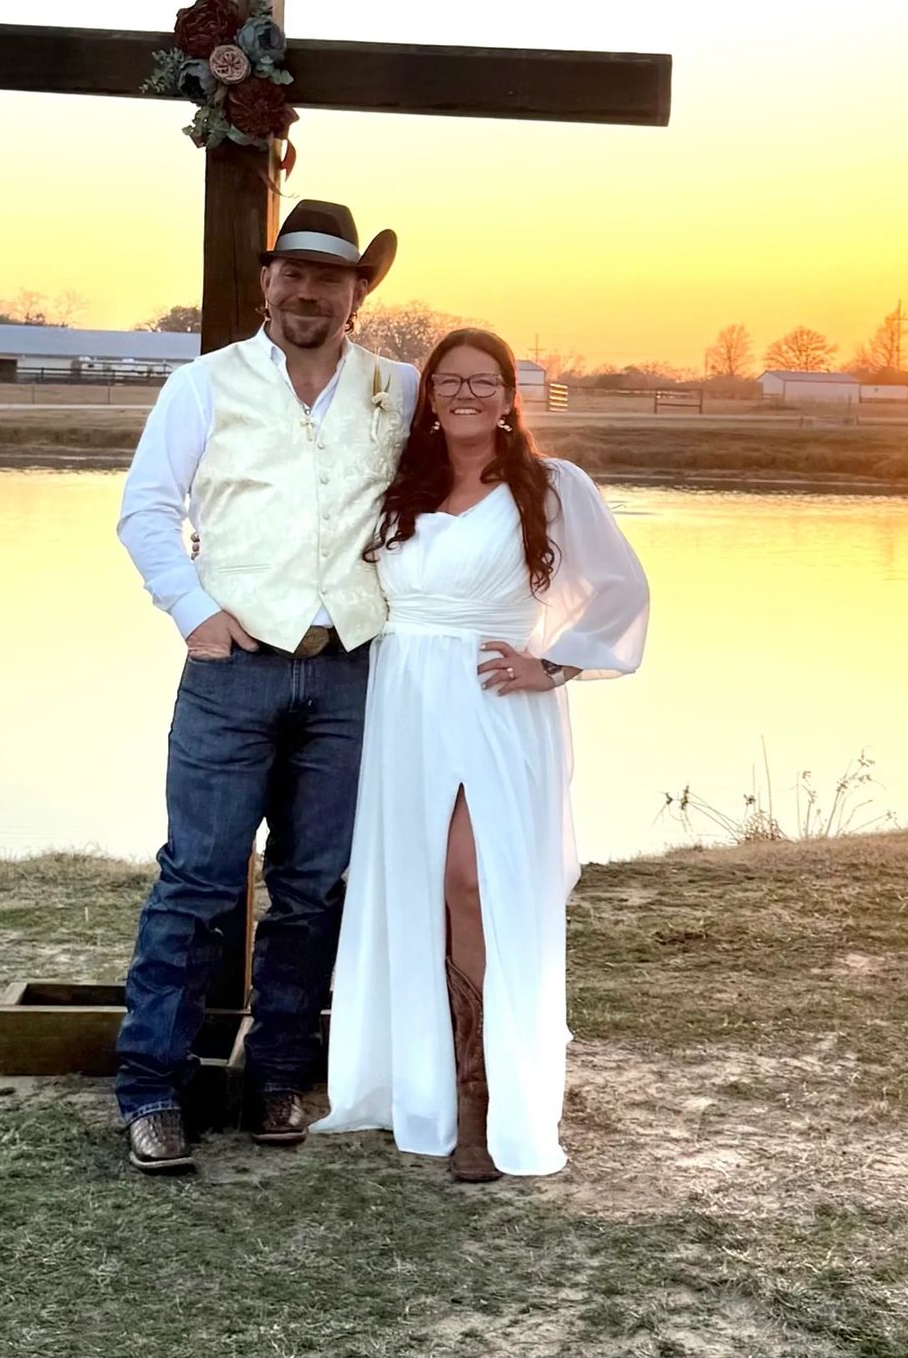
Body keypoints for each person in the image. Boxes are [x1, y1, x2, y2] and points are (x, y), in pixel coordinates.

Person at [111, 199, 418, 1174]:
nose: (306, 293)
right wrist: (193, 612)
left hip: (349, 671)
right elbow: (146, 509)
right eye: (291, 274)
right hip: (231, 671)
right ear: (267, 283)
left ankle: (278, 1073)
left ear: (357, 293)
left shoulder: (398, 391)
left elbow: (456, 496)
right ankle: (152, 1090)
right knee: (197, 880)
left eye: (328, 278)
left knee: (311, 885)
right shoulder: (202, 385)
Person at [313, 328, 649, 1180]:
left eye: (484, 381)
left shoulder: (550, 486)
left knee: (473, 876)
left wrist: (555, 661)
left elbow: (621, 589)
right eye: (450, 380)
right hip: (404, 700)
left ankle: (483, 1093)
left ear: (510, 394)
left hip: (498, 700)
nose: (466, 394)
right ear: (430, 393)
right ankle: (427, 1073)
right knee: (417, 878)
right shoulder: (403, 484)